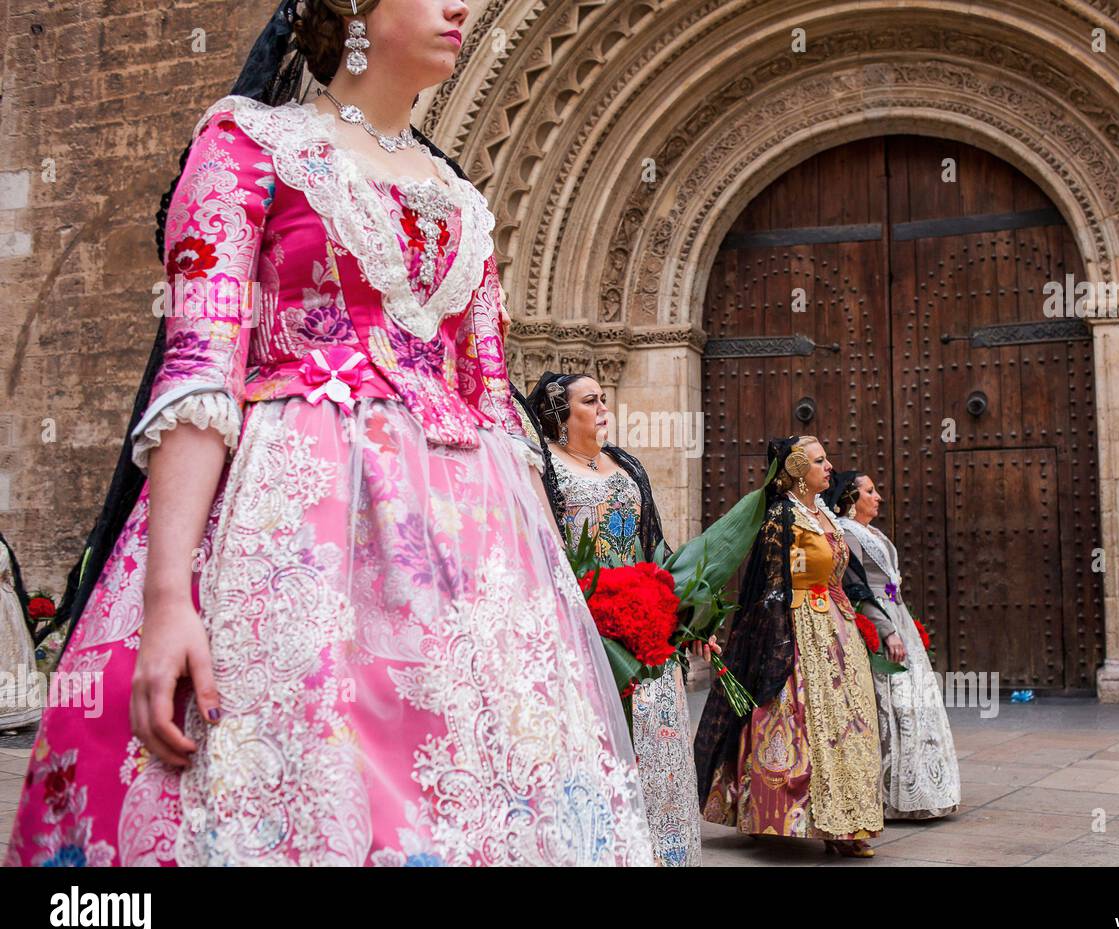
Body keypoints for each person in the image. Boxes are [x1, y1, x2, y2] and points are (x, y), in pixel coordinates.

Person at [5, 0, 652, 867]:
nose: (460, 6)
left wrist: (551, 609)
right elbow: (199, 372)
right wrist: (167, 600)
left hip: (474, 561)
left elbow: (494, 406)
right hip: (293, 538)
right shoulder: (247, 145)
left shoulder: (463, 198)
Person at [527, 370, 703, 867]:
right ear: (560, 413)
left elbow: (653, 543)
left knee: (661, 744)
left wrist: (687, 613)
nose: (604, 408)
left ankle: (670, 854)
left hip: (648, 628)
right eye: (591, 401)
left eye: (604, 398)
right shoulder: (544, 468)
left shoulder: (625, 462)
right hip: (591, 631)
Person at [694, 436, 884, 857]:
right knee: (798, 719)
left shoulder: (825, 515)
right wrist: (776, 637)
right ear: (796, 469)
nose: (829, 467)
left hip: (836, 629)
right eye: (819, 461)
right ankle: (778, 816)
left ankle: (849, 821)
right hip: (796, 627)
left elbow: (840, 576)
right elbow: (770, 581)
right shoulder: (782, 516)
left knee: (848, 723)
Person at [826, 471, 961, 820]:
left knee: (915, 700)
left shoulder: (874, 534)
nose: (878, 497)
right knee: (892, 699)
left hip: (895, 615)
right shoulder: (847, 533)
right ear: (851, 499)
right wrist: (886, 628)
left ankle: (923, 784)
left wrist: (903, 615)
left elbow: (888, 584)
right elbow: (856, 587)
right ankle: (888, 791)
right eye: (870, 491)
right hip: (879, 620)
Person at [0, 533, 41, 732]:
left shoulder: (1, 547)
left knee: (9, 656)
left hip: (4, 607)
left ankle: (8, 714)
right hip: (5, 602)